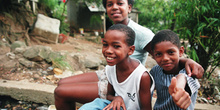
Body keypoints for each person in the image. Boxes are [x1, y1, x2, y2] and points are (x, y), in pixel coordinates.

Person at [54, 0, 204, 110]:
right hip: (112, 73)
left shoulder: (141, 33)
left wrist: (186, 62)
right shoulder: (112, 29)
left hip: (130, 81)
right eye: (110, 4)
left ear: (129, 7)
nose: (114, 7)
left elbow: (163, 56)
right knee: (61, 84)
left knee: (62, 92)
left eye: (120, 3)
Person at [79, 24, 154, 110]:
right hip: (116, 107)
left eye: (116, 46)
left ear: (130, 50)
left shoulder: (142, 76)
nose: (108, 50)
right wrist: (116, 98)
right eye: (105, 44)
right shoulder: (111, 68)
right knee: (94, 105)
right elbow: (109, 95)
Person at [150, 29, 200, 110]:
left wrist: (179, 86)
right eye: (158, 54)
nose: (165, 58)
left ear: (180, 51)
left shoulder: (189, 71)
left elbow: (183, 78)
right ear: (153, 56)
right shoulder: (155, 71)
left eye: (170, 52)